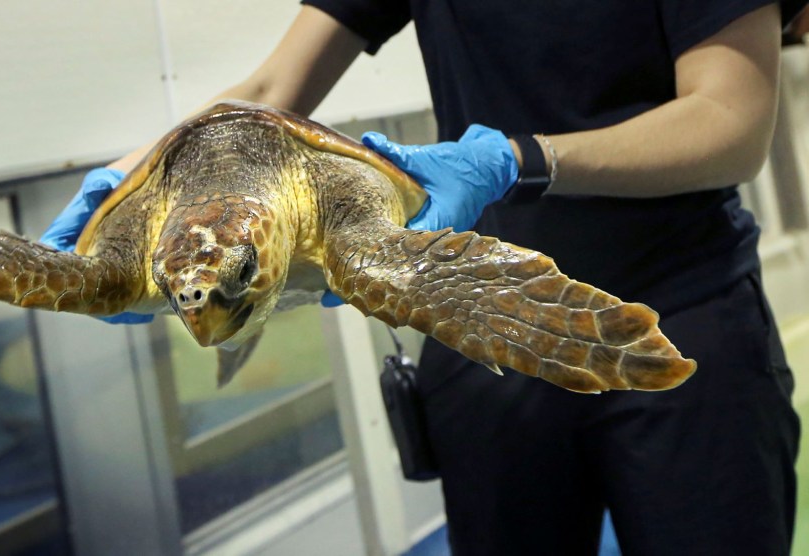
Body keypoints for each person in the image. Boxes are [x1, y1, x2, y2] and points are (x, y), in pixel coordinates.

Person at [42, 1, 808, 554]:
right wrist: (138, 181)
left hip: (679, 311)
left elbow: (732, 121)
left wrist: (521, 158)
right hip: (485, 325)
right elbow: (274, 91)